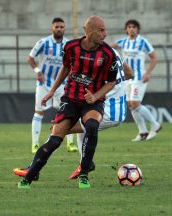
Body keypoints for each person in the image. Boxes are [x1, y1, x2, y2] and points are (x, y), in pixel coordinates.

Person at [17, 15, 118, 189]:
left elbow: (111, 82)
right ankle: (29, 176)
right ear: (89, 31)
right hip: (70, 99)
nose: (105, 34)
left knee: (92, 126)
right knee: (55, 140)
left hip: (92, 101)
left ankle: (84, 174)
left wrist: (95, 96)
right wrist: (51, 91)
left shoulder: (108, 54)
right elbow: (65, 68)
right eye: (101, 30)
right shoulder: (71, 47)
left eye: (105, 30)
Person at [13, 49, 134, 180]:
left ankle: (33, 170)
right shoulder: (112, 51)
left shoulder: (95, 59)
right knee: (83, 124)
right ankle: (85, 164)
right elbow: (129, 73)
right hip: (117, 109)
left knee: (57, 131)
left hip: (109, 111)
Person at [28, 17, 77, 154]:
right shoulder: (43, 43)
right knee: (39, 112)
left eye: (62, 27)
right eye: (57, 27)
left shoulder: (68, 44)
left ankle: (70, 143)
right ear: (52, 29)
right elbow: (30, 58)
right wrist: (37, 71)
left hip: (62, 85)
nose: (59, 29)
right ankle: (35, 144)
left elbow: (73, 63)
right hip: (44, 84)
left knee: (69, 112)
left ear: (64, 29)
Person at [110, 19, 162, 142]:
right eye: (129, 27)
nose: (131, 29)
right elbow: (109, 46)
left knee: (135, 103)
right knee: (130, 104)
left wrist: (148, 73)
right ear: (126, 29)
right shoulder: (123, 42)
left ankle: (155, 125)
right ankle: (142, 131)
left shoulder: (143, 42)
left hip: (139, 77)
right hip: (127, 77)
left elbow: (154, 58)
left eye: (134, 27)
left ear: (138, 29)